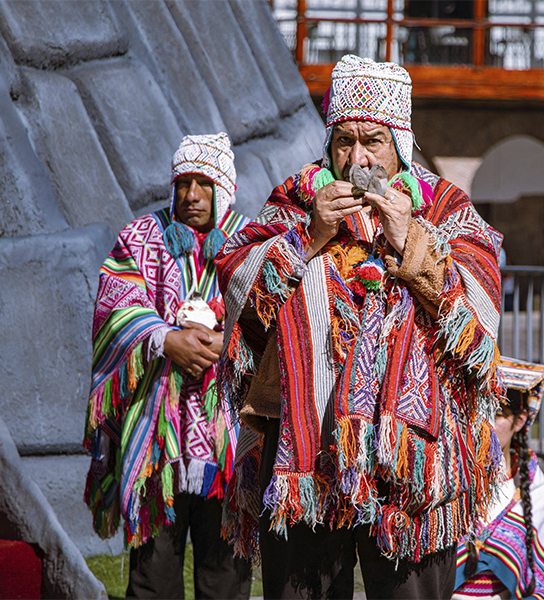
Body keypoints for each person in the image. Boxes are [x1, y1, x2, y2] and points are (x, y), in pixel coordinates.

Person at [216, 54, 504, 599]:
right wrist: (310, 235)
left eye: (372, 141)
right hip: (306, 449)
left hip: (409, 455)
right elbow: (238, 285)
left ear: (399, 142)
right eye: (344, 141)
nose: (357, 158)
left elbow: (479, 308)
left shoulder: (444, 206)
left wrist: (408, 238)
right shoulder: (300, 198)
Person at [83, 133, 252, 599]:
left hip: (228, 448)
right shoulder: (139, 238)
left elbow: (272, 317)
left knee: (225, 580)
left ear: (224, 189)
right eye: (183, 182)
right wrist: (165, 339)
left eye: (203, 182)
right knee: (152, 580)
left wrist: (226, 342)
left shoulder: (249, 241)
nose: (191, 194)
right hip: (154, 446)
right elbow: (113, 308)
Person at [454, 358, 544, 600]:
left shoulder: (531, 486)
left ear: (519, 421)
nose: (486, 424)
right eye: (480, 411)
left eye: (497, 414)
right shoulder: (450, 477)